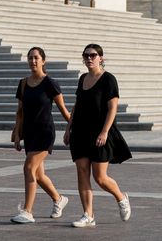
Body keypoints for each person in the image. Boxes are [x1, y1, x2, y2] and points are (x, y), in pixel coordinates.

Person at [64, 43, 132, 228]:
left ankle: (121, 197)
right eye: (86, 55)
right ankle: (88, 214)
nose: (89, 58)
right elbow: (77, 105)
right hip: (80, 132)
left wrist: (104, 131)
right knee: (82, 172)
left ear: (101, 58)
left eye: (93, 55)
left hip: (100, 132)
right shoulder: (83, 78)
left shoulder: (109, 79)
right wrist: (68, 128)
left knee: (100, 177)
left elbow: (113, 108)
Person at [11, 46, 71, 224]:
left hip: (45, 133)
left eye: (36, 58)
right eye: (30, 58)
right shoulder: (23, 83)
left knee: (28, 168)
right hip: (29, 133)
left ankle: (28, 211)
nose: (33, 61)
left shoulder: (50, 83)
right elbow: (20, 111)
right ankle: (59, 199)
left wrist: (72, 127)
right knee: (38, 175)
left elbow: (63, 110)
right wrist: (16, 134)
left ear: (43, 61)